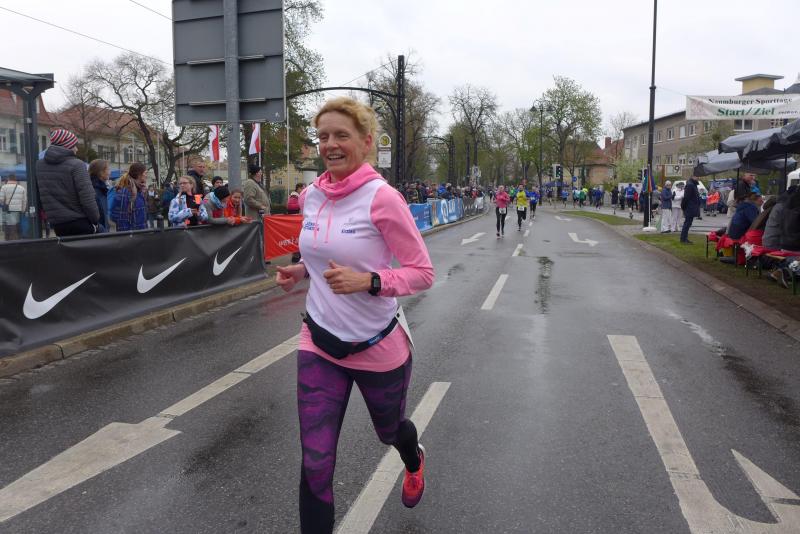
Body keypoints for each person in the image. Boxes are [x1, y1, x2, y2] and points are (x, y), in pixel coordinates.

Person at [273, 97, 433, 534]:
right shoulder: (311, 195)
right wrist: (302, 270)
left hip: (376, 344)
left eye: (341, 135)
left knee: (390, 431)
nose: (330, 144)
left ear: (365, 142)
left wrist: (370, 281)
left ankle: (413, 457)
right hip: (319, 343)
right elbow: (322, 252)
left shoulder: (383, 198)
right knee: (316, 461)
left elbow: (422, 273)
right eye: (323, 136)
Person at [36, 128, 100, 237]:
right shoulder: (77, 165)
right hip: (80, 221)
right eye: (74, 145)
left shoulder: (39, 165)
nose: (76, 149)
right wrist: (95, 220)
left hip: (58, 224)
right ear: (68, 145)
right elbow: (87, 197)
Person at [111, 163, 148, 231]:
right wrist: (128, 235)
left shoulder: (140, 190)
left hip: (141, 234)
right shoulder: (125, 193)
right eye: (145, 173)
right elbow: (120, 219)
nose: (147, 176)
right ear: (139, 175)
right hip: (131, 235)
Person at [1, 174, 27, 240]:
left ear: (8, 179)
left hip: (8, 210)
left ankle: (9, 241)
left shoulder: (4, 187)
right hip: (18, 210)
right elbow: (24, 201)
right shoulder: (22, 188)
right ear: (15, 179)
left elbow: (1, 200)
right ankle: (17, 240)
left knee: (9, 227)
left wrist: (5, 204)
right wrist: (23, 210)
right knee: (17, 226)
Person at [88, 159, 110, 232]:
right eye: (108, 169)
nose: (109, 172)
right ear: (101, 172)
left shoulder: (101, 188)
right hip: (99, 233)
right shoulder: (96, 190)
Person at [680, 175, 701, 244]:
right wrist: (683, 207)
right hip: (689, 207)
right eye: (697, 176)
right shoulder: (690, 185)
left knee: (688, 223)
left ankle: (684, 238)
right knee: (687, 223)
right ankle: (683, 239)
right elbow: (686, 197)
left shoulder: (693, 184)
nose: (698, 178)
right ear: (693, 177)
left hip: (691, 207)